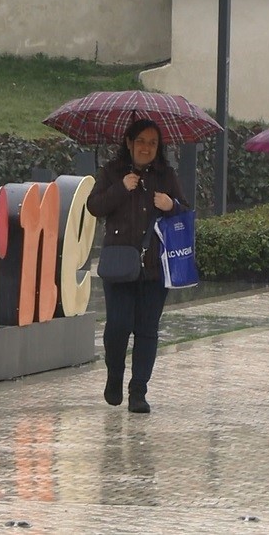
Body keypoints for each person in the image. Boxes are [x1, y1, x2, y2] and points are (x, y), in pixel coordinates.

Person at [86, 119, 189, 414]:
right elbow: (94, 206)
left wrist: (172, 205)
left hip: (155, 266)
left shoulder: (165, 175)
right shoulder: (112, 172)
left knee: (147, 330)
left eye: (153, 143)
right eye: (141, 141)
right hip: (119, 264)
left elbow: (185, 211)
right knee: (118, 326)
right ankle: (115, 374)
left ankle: (138, 390)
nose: (146, 147)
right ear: (129, 143)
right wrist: (121, 188)